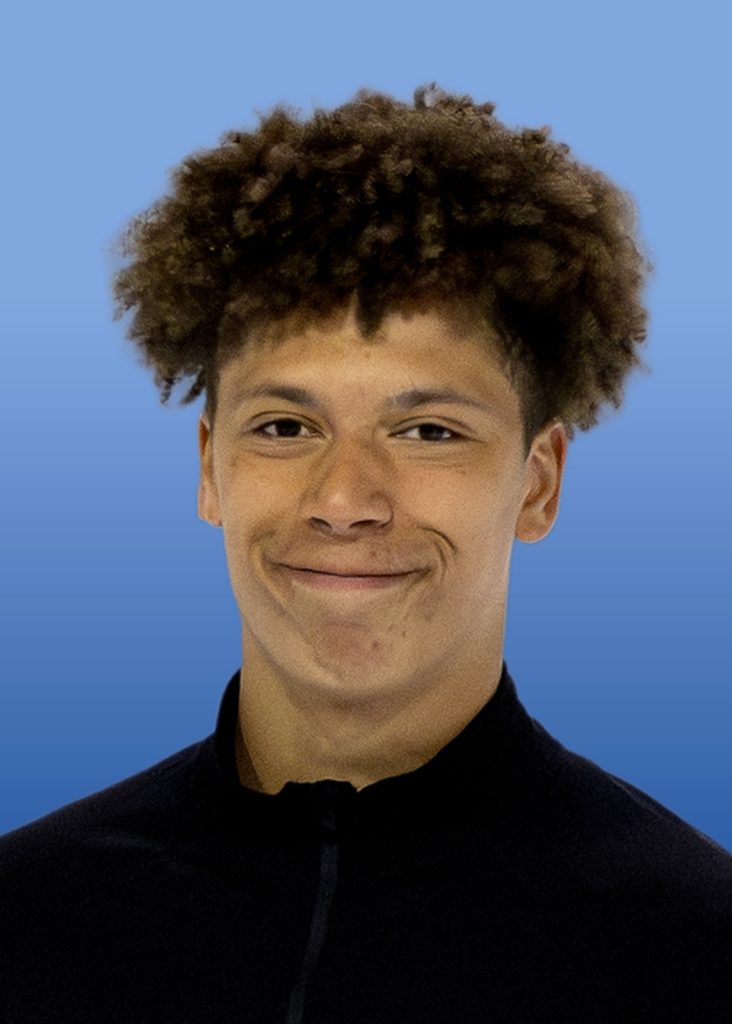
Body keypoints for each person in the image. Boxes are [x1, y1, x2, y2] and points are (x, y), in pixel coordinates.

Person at [1, 84, 730, 1023]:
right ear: (210, 468)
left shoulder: (697, 948)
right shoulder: (25, 920)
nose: (344, 501)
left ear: (539, 483)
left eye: (428, 432)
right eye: (285, 426)